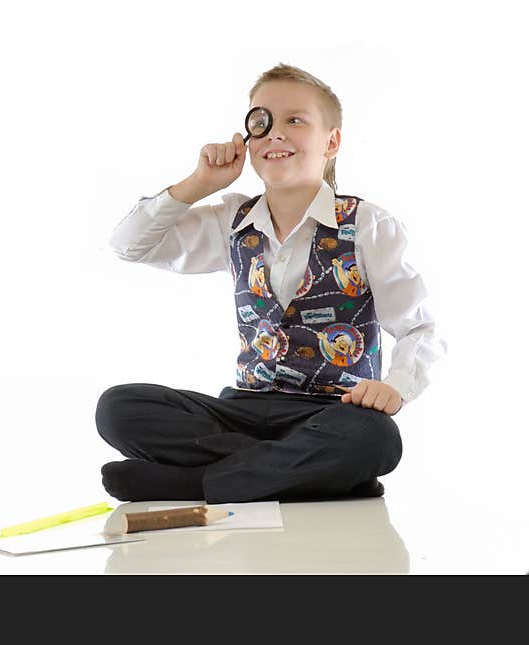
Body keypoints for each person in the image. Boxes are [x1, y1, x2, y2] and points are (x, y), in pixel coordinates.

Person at [96, 63, 448, 504]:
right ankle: (306, 474)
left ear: (331, 141)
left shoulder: (367, 225)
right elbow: (129, 246)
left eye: (294, 120)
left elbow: (419, 326)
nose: (275, 134)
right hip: (242, 407)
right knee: (119, 408)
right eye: (262, 122)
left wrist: (394, 387)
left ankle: (197, 484)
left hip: (331, 412)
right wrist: (199, 183)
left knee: (375, 437)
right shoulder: (232, 220)